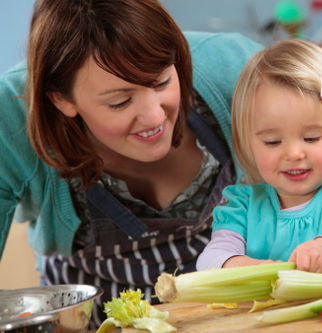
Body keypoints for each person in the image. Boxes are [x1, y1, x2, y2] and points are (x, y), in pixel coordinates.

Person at [0, 0, 261, 327]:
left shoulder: (238, 69)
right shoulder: (9, 117)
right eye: (120, 102)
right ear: (62, 99)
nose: (155, 116)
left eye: (162, 82)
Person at [196, 39, 322, 273]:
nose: (295, 154)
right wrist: (241, 266)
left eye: (311, 138)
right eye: (273, 142)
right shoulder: (242, 207)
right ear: (247, 143)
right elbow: (209, 260)